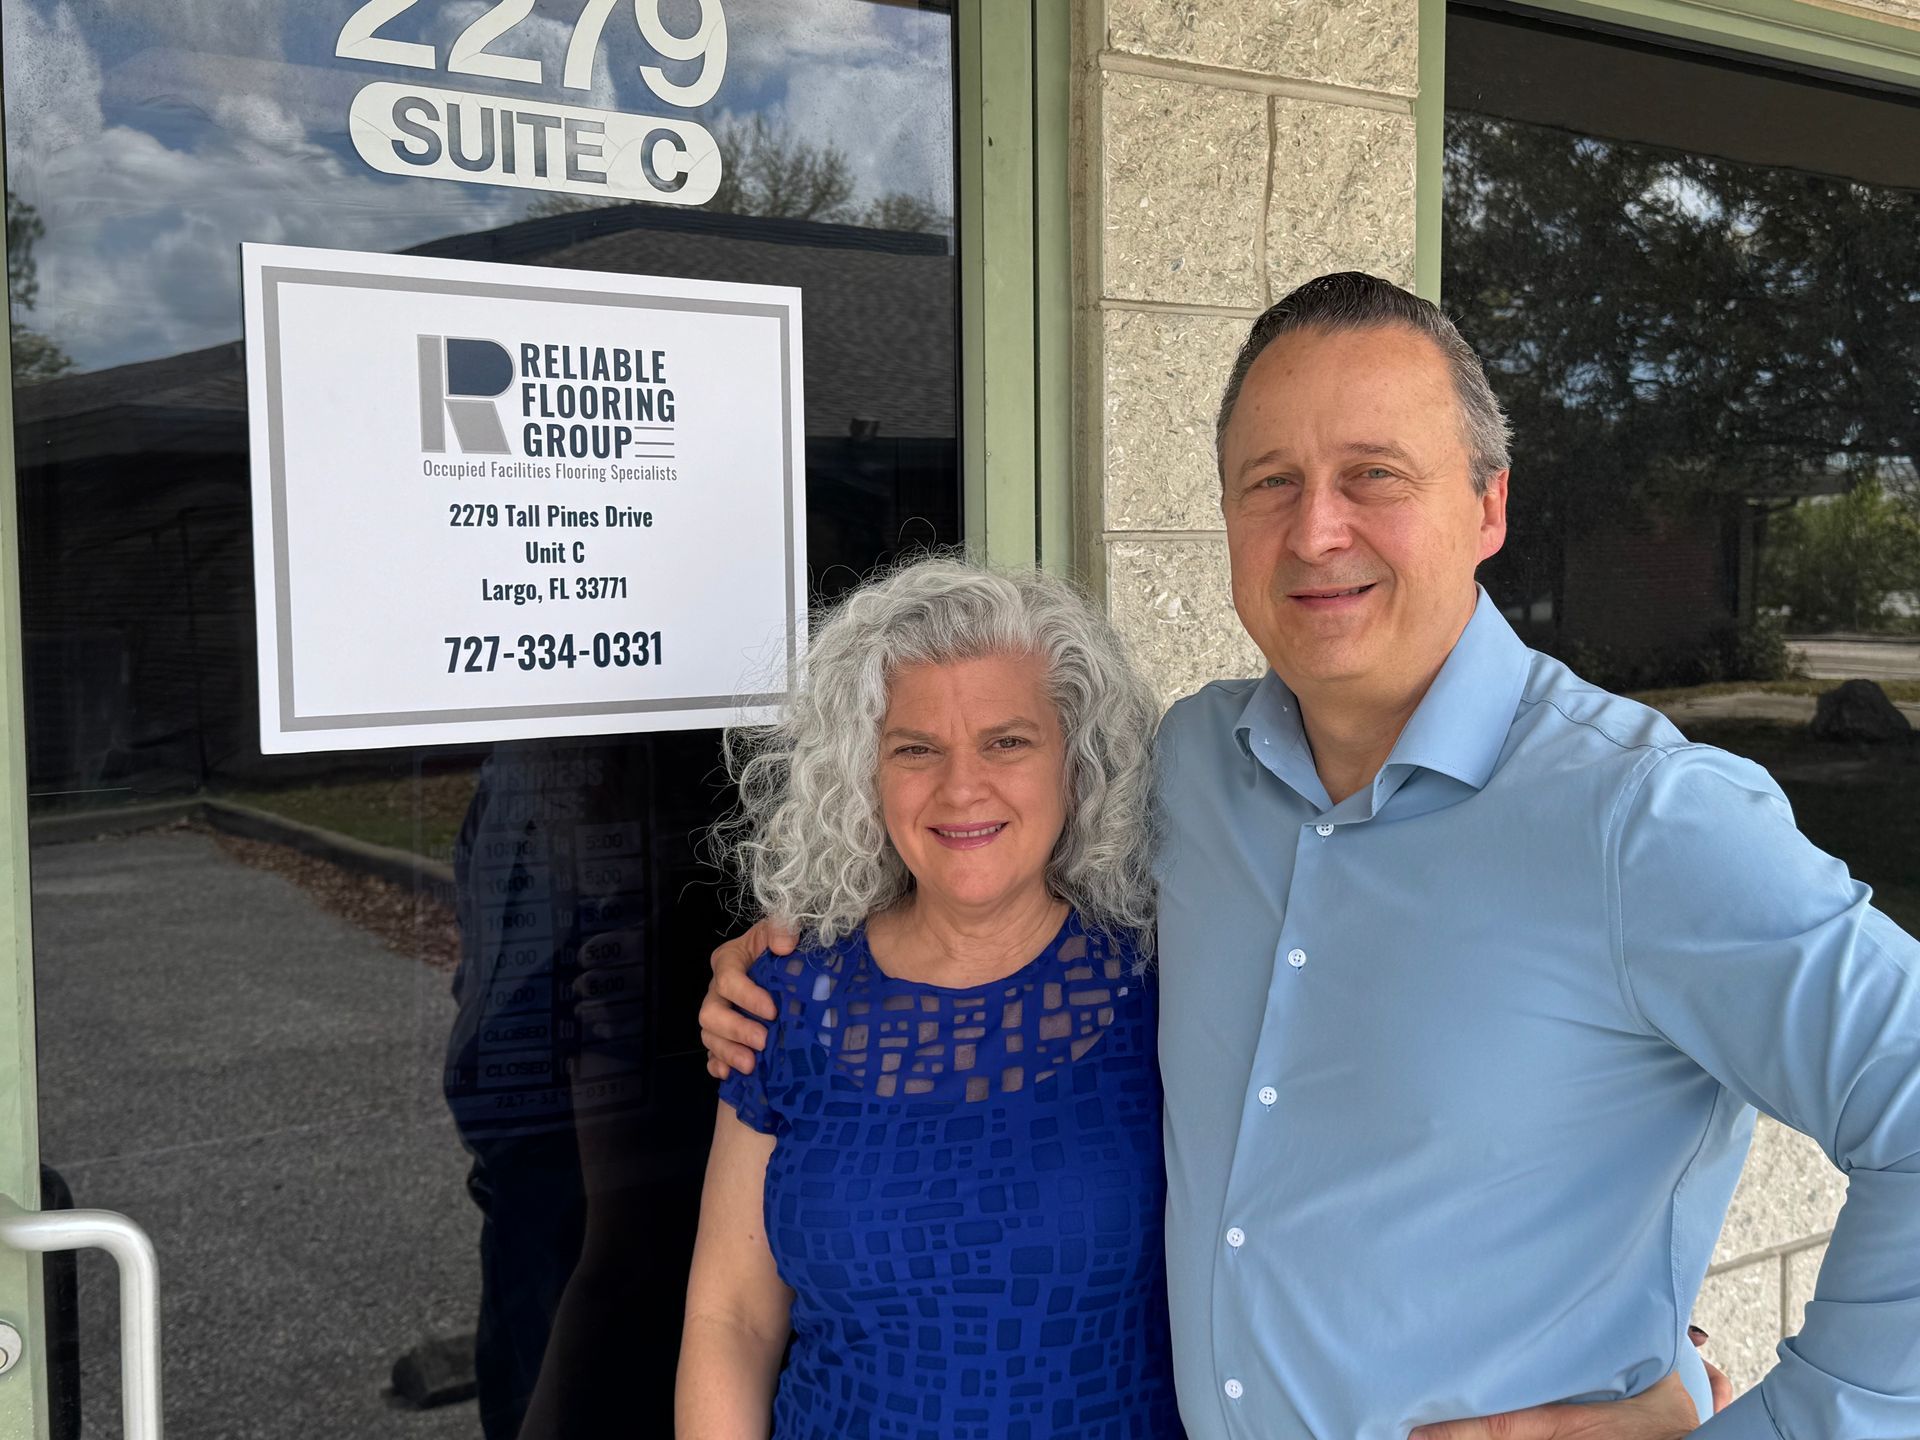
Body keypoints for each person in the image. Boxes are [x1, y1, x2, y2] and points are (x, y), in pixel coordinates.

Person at [704, 273, 1920, 1438]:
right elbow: (980, 875)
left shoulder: (1643, 821)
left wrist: (1759, 1420)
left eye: (1373, 475)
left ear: (1489, 507)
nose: (1316, 529)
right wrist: (786, 964)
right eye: (1269, 481)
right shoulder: (1186, 771)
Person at [676, 560, 1182, 1438]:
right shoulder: (786, 1000)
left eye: (1007, 741)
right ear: (863, 773)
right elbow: (732, 1321)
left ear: (1079, 761)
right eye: (916, 748)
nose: (961, 787)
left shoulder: (1167, 989)